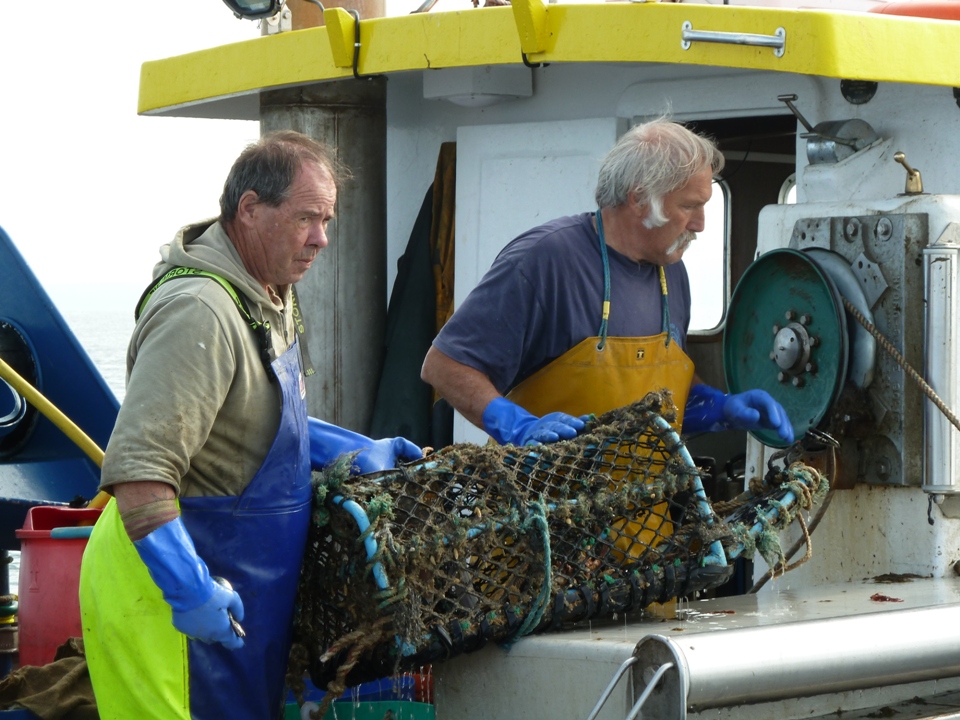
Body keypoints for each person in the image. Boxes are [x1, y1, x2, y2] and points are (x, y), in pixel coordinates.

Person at [79, 131, 421, 720]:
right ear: (250, 209)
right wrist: (189, 589)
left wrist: (357, 449)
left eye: (328, 219)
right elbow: (138, 475)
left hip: (243, 593)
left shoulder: (268, 290)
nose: (323, 239)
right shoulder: (199, 311)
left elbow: (253, 416)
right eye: (307, 218)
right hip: (165, 597)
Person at [420, 119, 793, 446]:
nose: (700, 224)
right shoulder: (545, 260)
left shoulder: (672, 270)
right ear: (639, 200)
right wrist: (517, 427)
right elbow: (444, 366)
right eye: (689, 206)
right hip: (547, 515)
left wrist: (717, 406)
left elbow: (658, 387)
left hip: (646, 519)